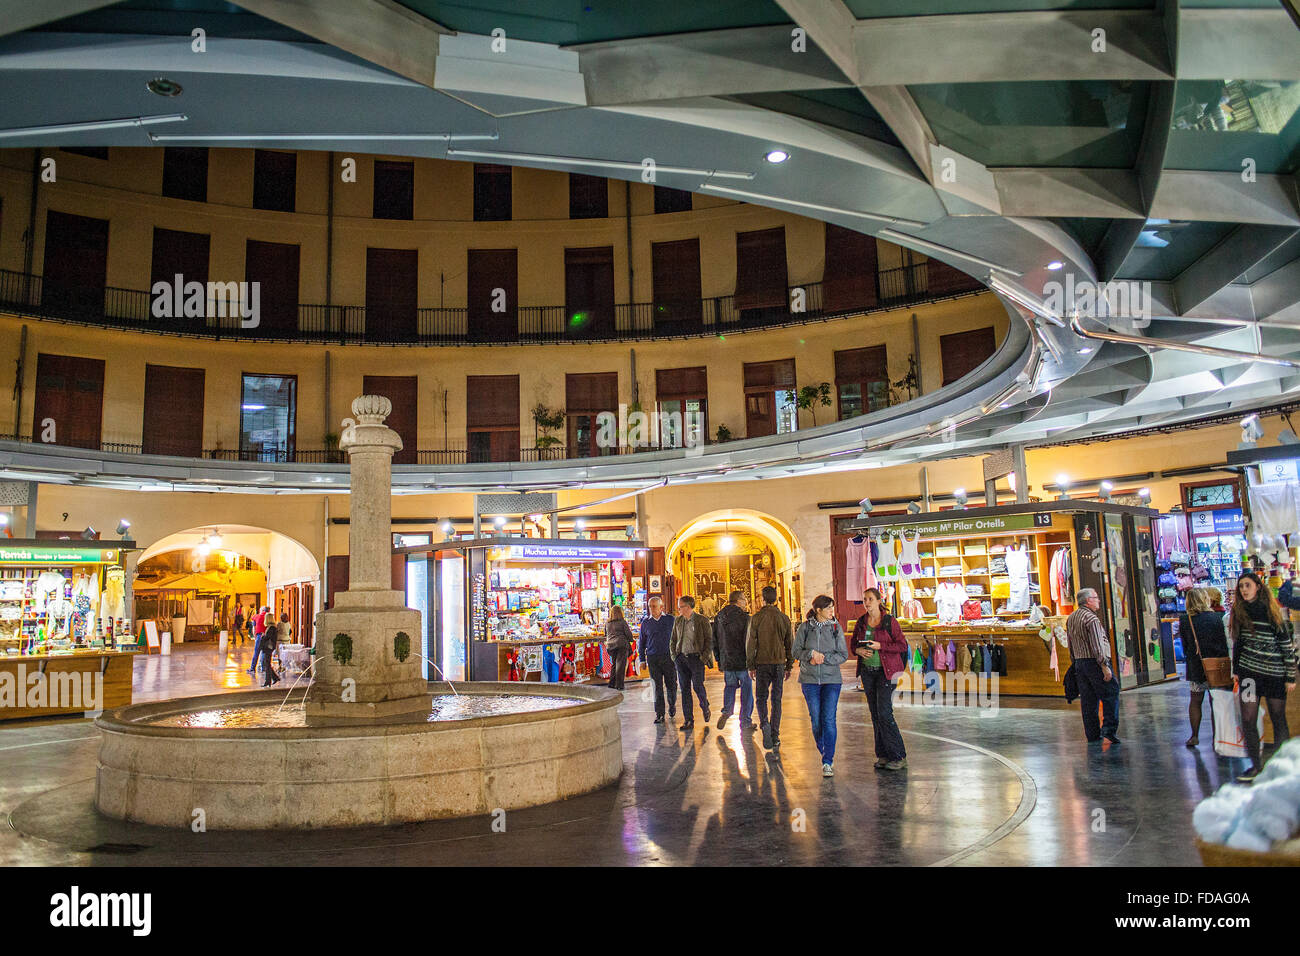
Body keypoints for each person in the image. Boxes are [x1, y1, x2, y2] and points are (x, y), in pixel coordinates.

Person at [1231, 571, 1298, 782]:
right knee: (1248, 719)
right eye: (1241, 586)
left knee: (1278, 718)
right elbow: (1238, 644)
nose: (1244, 590)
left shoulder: (1270, 611)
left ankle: (1282, 767)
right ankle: (1255, 767)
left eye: (1247, 585)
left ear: (1258, 587)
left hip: (1274, 675)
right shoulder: (1239, 612)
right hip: (1249, 675)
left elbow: (1286, 645)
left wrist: (1290, 676)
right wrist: (1236, 670)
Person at [850, 587, 909, 770]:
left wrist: (880, 645)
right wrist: (858, 650)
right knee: (875, 714)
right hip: (868, 672)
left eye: (869, 599)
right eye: (865, 599)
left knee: (884, 712)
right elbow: (853, 644)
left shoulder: (889, 621)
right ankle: (883, 754)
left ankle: (898, 755)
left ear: (878, 600)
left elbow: (901, 645)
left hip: (887, 672)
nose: (866, 603)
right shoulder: (861, 622)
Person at [793, 595, 847, 777]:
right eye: (828, 608)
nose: (832, 611)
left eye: (832, 607)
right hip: (809, 681)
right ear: (818, 610)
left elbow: (843, 654)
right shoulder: (804, 628)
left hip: (832, 680)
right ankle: (823, 749)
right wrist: (810, 655)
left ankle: (827, 761)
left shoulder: (835, 627)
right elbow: (795, 651)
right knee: (816, 720)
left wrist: (824, 659)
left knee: (829, 719)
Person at [1066, 588, 1121, 746]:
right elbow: (1097, 644)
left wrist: (1075, 661)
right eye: (1096, 598)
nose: (1098, 601)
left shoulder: (1072, 618)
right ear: (1088, 601)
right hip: (1094, 662)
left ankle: (1092, 733)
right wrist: (1104, 665)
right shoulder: (1091, 619)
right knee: (1110, 692)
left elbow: (1070, 644)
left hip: (1079, 662)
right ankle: (1109, 729)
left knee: (1088, 700)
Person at [1180, 587, 1229, 748]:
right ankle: (1218, 736)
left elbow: (1186, 644)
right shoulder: (1218, 617)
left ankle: (1194, 736)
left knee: (1195, 701)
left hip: (1196, 666)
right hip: (1216, 665)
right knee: (1216, 701)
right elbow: (1224, 642)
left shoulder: (1186, 620)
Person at [746, 586, 793, 752]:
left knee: (760, 697)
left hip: (762, 663)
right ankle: (775, 735)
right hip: (779, 663)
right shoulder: (784, 618)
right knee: (776, 699)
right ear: (776, 599)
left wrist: (751, 665)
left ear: (762, 599)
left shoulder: (756, 618)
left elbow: (751, 644)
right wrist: (789, 665)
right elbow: (790, 644)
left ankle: (764, 723)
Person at [670, 595, 714, 730]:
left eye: (680, 607)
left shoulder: (702, 620)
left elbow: (709, 640)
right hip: (681, 658)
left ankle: (704, 705)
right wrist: (674, 656)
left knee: (697, 686)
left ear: (688, 607)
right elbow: (673, 639)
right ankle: (688, 720)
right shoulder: (678, 621)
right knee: (684, 689)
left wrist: (703, 658)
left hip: (696, 659)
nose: (679, 610)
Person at [712, 590, 754, 731]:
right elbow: (749, 641)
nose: (746, 602)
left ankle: (727, 711)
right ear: (738, 600)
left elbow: (715, 640)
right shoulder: (745, 618)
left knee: (729, 687)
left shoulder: (719, 617)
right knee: (746, 691)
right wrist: (752, 661)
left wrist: (719, 659)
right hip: (743, 661)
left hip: (727, 661)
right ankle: (746, 721)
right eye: (744, 599)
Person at [639, 597, 677, 724]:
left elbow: (677, 637)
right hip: (653, 658)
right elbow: (642, 642)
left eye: (654, 606)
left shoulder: (670, 620)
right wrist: (642, 659)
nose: (651, 609)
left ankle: (672, 705)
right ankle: (659, 713)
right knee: (657, 687)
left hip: (668, 657)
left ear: (661, 607)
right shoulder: (646, 623)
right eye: (650, 606)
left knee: (671, 684)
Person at [604, 605, 634, 692]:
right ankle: (619, 685)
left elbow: (605, 634)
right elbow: (628, 634)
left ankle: (612, 683)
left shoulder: (608, 623)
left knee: (614, 665)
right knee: (620, 665)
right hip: (621, 645)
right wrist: (630, 640)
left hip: (611, 646)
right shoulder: (622, 622)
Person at [246, 605, 270, 676]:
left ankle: (252, 668)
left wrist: (255, 636)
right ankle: (263, 668)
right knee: (263, 652)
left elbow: (253, 623)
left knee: (256, 652)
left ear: (262, 611)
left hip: (259, 636)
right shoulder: (269, 618)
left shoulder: (257, 616)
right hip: (266, 636)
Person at [259, 616, 281, 687]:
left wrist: (263, 636)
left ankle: (268, 681)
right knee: (267, 663)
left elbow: (268, 637)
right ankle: (274, 678)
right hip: (269, 648)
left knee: (267, 664)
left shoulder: (271, 628)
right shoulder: (272, 627)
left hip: (268, 648)